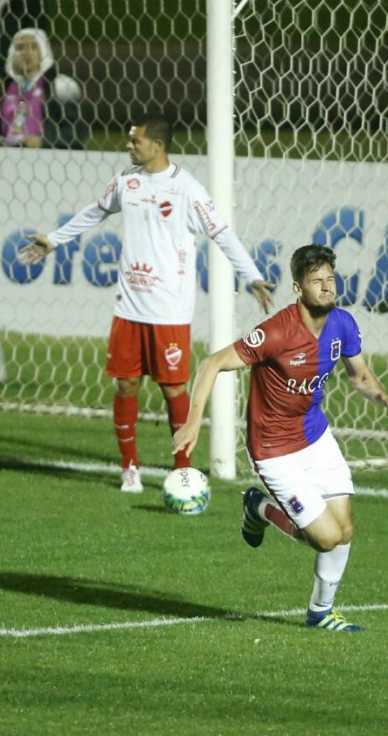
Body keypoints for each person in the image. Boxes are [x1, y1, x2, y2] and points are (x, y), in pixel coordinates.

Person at [19, 114, 275, 493]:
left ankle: (181, 470)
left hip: (169, 311)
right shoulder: (127, 180)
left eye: (135, 141)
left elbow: (221, 233)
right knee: (125, 386)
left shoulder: (187, 189)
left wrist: (250, 275)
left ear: (158, 145)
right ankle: (129, 469)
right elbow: (95, 210)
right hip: (129, 308)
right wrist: (53, 240)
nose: (128, 145)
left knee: (174, 390)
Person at [172, 244, 388, 631]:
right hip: (274, 449)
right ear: (297, 288)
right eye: (316, 280)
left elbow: (360, 377)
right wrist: (192, 421)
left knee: (345, 531)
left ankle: (320, 612)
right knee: (325, 538)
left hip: (315, 435)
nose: (326, 287)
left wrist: (386, 398)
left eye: (330, 278)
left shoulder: (342, 324)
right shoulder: (277, 332)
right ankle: (260, 508)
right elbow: (212, 362)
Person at [0, 28, 87, 150]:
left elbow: (78, 131)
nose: (25, 52)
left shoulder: (61, 85)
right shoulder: (7, 89)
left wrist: (44, 140)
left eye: (33, 47)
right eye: (20, 48)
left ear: (43, 52)